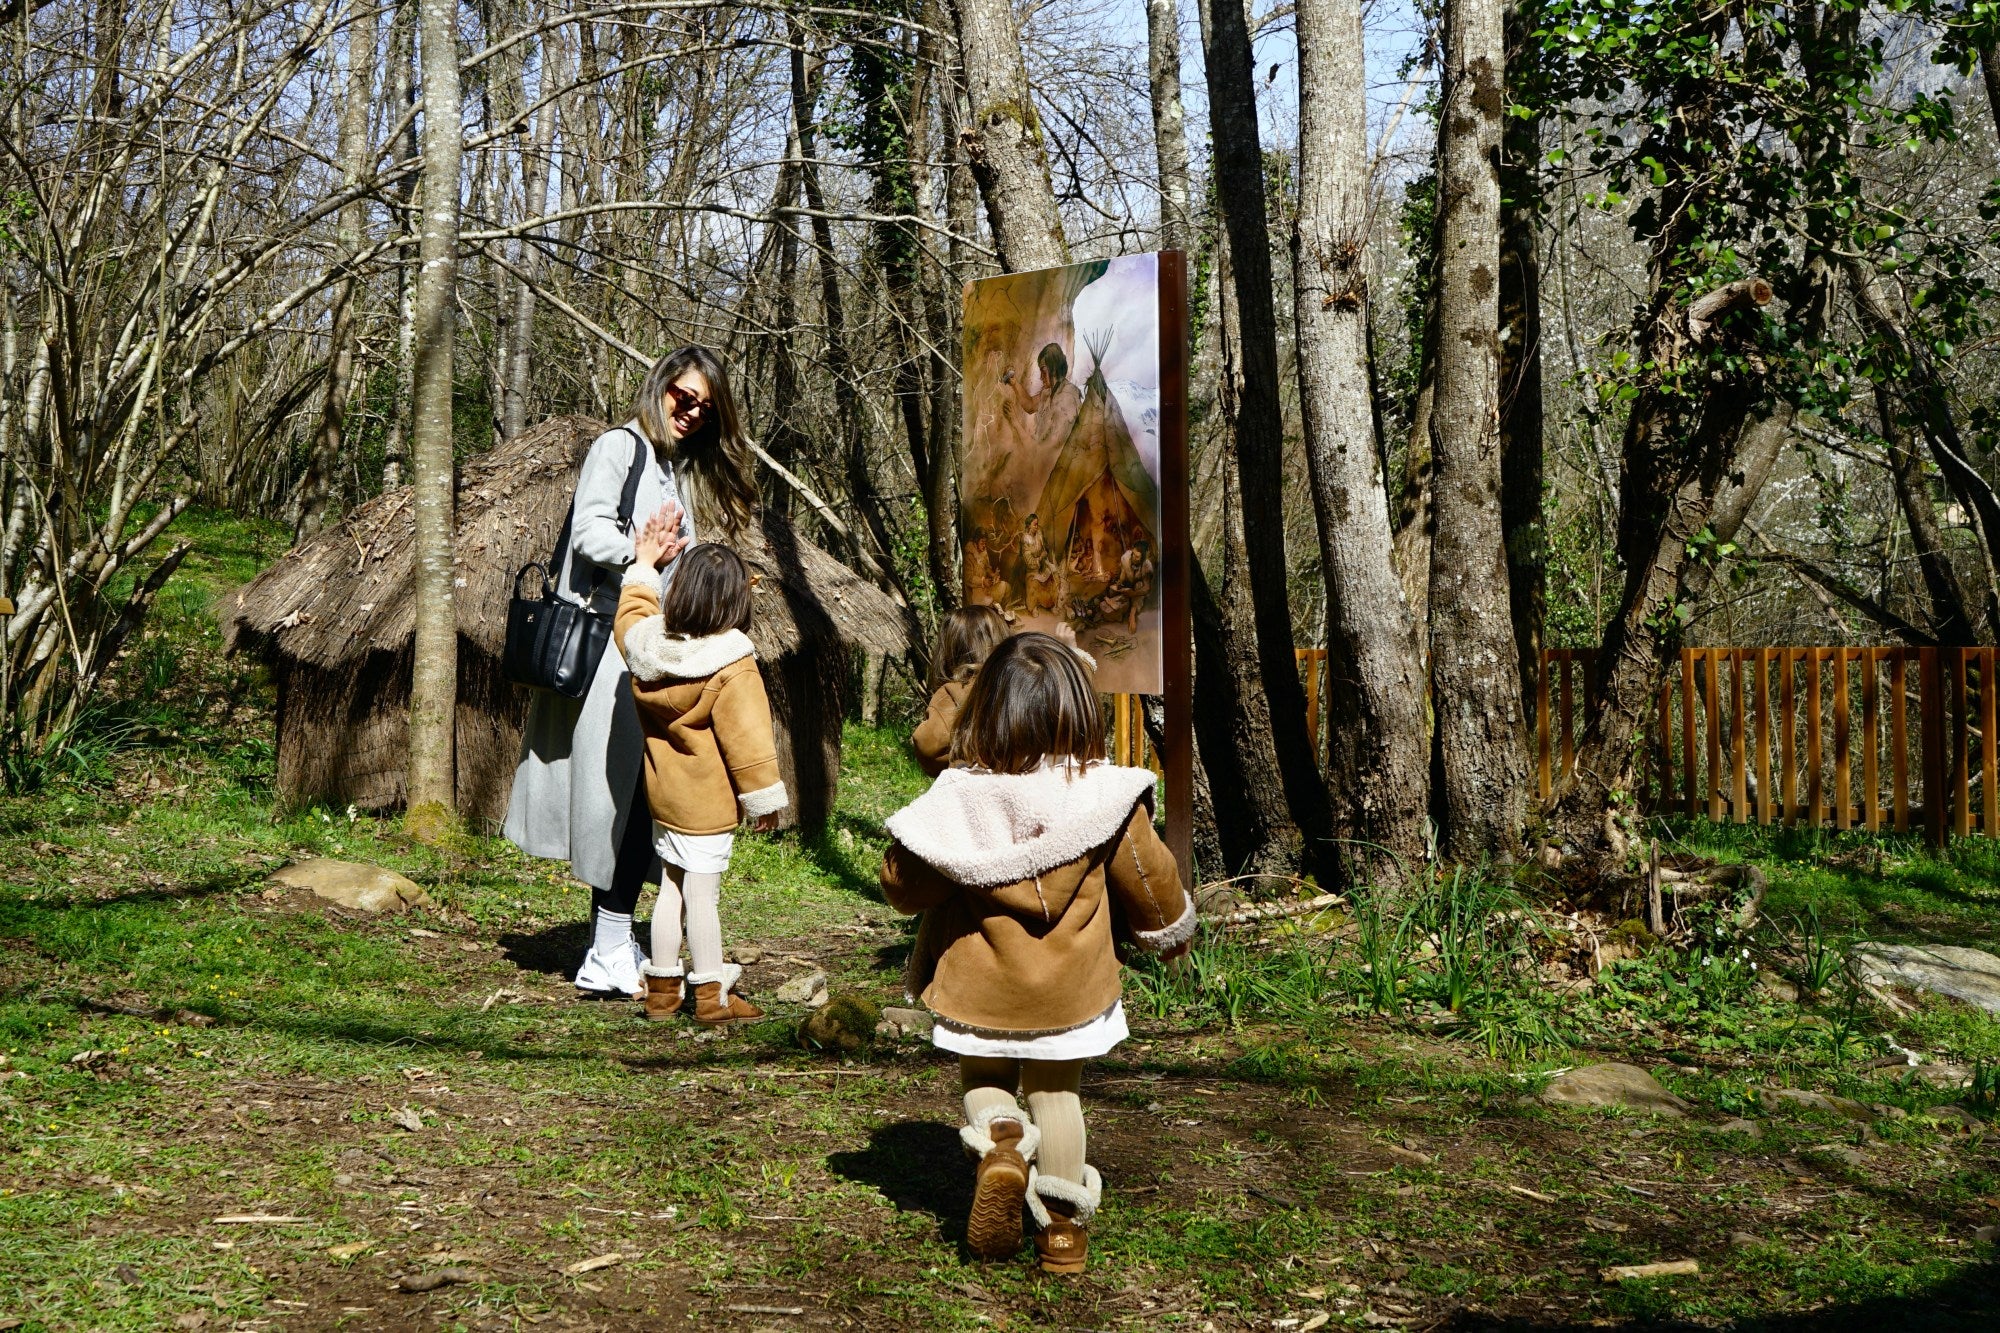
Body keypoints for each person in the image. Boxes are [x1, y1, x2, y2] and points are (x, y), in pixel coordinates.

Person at [878, 634, 1194, 1273]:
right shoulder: (1107, 798)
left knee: (985, 1080)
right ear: (1078, 711)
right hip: (1072, 992)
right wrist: (1171, 935)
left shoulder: (959, 798)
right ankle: (1062, 1236)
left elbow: (904, 886)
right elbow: (1151, 880)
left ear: (987, 708)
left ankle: (1001, 1139)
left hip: (978, 988)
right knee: (1058, 1096)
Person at [504, 346, 760, 999]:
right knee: (619, 799)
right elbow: (589, 532)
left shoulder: (672, 470)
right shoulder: (618, 447)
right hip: (609, 650)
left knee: (641, 796)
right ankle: (608, 948)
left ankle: (616, 941)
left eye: (706, 406)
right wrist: (641, 557)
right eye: (685, 396)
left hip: (644, 646)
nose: (693, 412)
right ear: (660, 387)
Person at [614, 539, 786, 1024]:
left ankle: (663, 993)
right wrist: (763, 800)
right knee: (701, 896)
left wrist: (644, 567)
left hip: (664, 797)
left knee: (670, 888)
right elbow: (749, 742)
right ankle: (712, 996)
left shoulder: (647, 647)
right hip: (706, 808)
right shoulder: (733, 665)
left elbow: (629, 616)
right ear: (736, 601)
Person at [911, 606, 1010, 778]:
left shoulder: (952, 692)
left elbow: (928, 747)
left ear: (949, 649)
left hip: (974, 788)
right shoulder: (1018, 682)